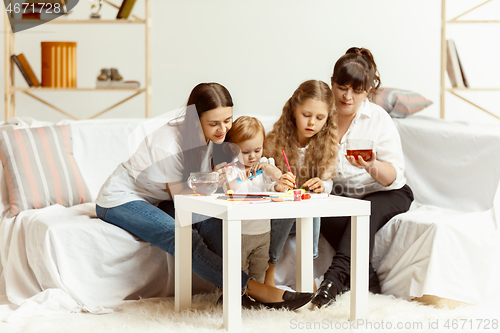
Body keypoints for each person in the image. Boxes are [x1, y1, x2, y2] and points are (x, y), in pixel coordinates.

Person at [95, 82, 313, 310]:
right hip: (122, 198)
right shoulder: (168, 144)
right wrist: (212, 178)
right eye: (214, 123)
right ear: (195, 120)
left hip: (160, 200)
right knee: (179, 235)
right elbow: (183, 199)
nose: (223, 129)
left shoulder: (214, 138)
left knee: (212, 220)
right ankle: (253, 288)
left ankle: (234, 293)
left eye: (227, 120)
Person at [311, 47, 414, 308]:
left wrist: (371, 165)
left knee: (366, 210)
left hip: (387, 192)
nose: (347, 96)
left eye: (357, 91)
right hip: (343, 195)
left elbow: (392, 176)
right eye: (342, 87)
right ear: (331, 83)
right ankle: (367, 279)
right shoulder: (320, 116)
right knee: (319, 208)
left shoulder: (377, 118)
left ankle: (333, 281)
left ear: (367, 91)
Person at [263, 80, 338, 290]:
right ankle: (269, 271)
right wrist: (277, 183)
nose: (312, 123)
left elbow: (329, 180)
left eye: (320, 118)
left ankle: (308, 274)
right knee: (292, 206)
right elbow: (260, 178)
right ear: (294, 110)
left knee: (309, 206)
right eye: (306, 115)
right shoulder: (273, 140)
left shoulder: (329, 145)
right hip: (274, 215)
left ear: (327, 118)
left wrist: (323, 185)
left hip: (305, 214)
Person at [224, 116, 283, 284]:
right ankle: (237, 295)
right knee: (237, 269)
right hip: (239, 231)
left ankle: (257, 298)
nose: (252, 157)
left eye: (257, 150)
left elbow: (277, 177)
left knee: (260, 269)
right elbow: (230, 190)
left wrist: (267, 167)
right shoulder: (232, 169)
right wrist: (241, 178)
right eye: (246, 152)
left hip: (263, 232)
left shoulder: (264, 165)